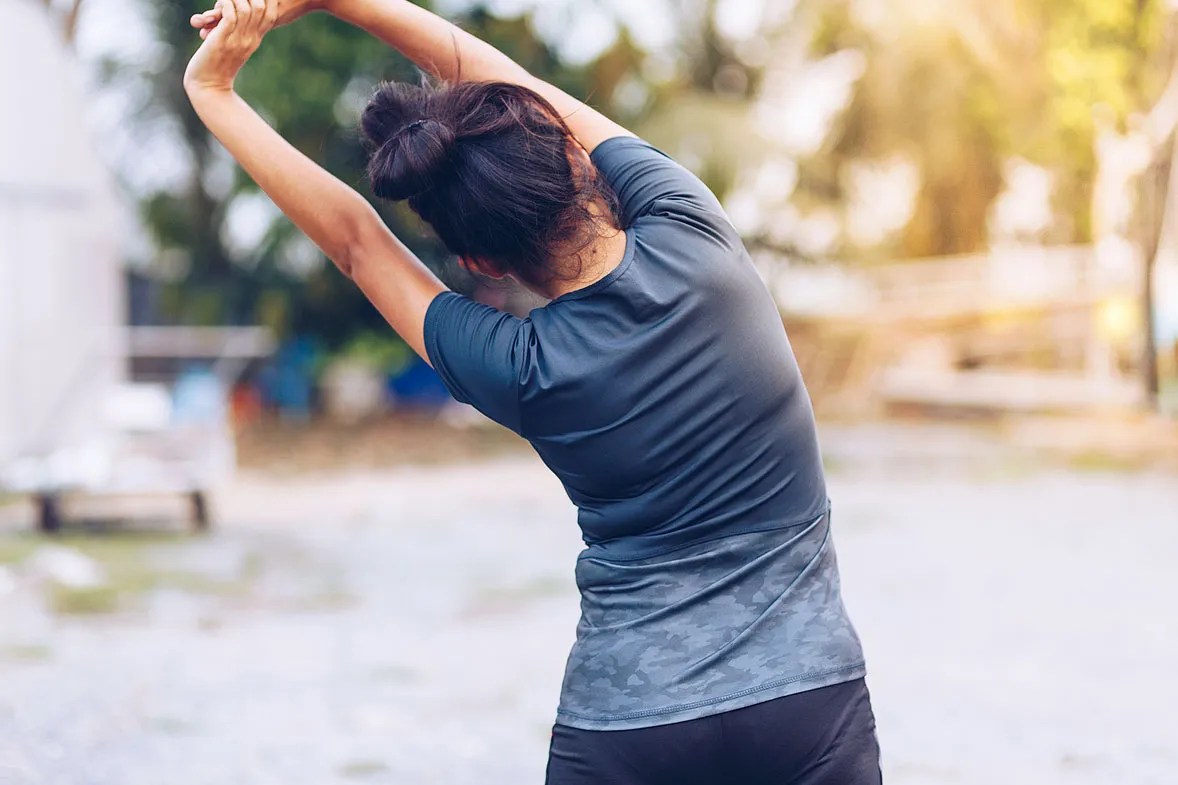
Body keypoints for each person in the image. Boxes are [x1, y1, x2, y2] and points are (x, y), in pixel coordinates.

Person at [184, 2, 882, 782]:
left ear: (480, 263)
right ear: (575, 156)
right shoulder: (692, 229)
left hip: (630, 722)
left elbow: (357, 244)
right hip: (808, 700)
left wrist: (215, 94)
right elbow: (491, 72)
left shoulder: (519, 366)